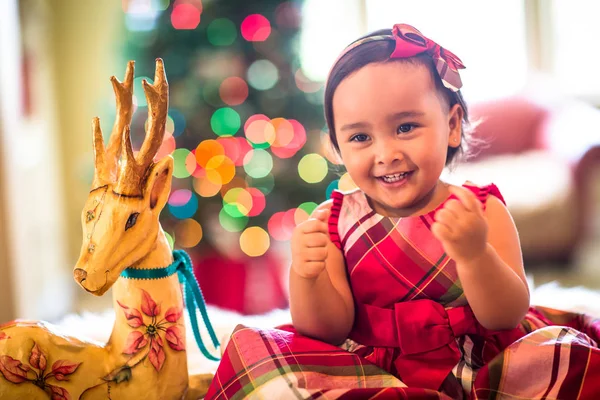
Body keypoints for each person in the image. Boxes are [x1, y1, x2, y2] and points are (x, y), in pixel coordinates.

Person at [205, 23, 600, 399]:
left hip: (480, 362)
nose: (386, 153)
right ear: (337, 148)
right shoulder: (334, 220)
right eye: (360, 137)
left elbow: (506, 315)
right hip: (374, 368)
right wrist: (306, 274)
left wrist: (475, 255)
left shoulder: (478, 209)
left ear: (452, 125)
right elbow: (324, 329)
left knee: (566, 365)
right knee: (264, 365)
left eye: (406, 127)